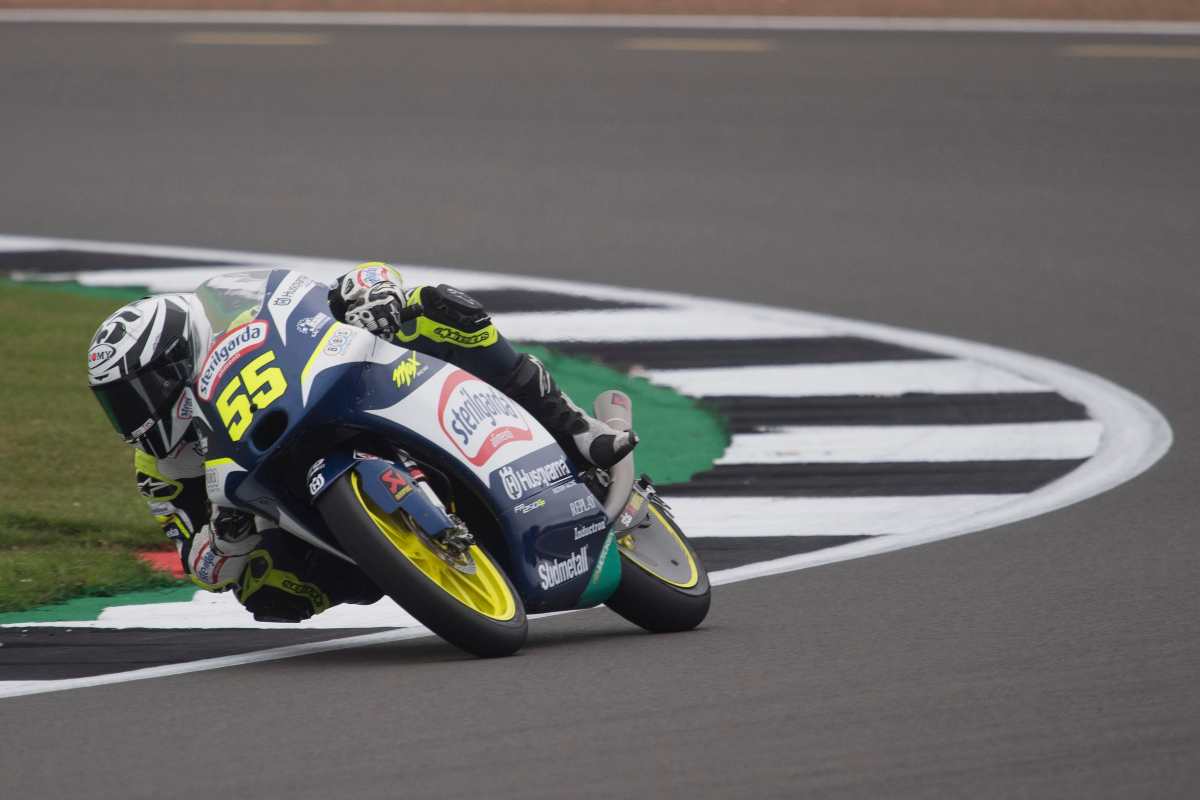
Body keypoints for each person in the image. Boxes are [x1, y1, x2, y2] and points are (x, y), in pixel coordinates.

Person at [86, 263, 637, 623]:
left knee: (442, 307)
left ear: (180, 358)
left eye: (140, 393)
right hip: (290, 505)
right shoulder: (158, 469)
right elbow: (198, 564)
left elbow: (328, 289)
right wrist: (224, 539)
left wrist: (370, 292)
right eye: (119, 403)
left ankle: (574, 428)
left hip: (339, 387)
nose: (134, 415)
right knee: (268, 592)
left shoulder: (235, 310)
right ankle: (399, 560)